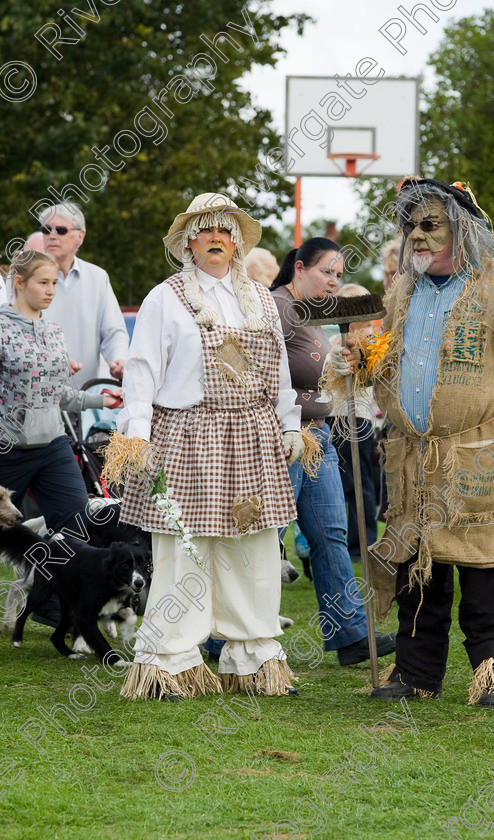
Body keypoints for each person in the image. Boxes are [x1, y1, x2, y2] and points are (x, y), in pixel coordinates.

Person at [334, 178, 494, 706]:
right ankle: (414, 675)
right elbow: (384, 357)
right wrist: (357, 365)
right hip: (410, 456)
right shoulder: (403, 291)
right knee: (417, 568)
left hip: (475, 452)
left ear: (462, 228)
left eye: (429, 224)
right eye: (409, 226)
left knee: (485, 566)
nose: (416, 236)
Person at [111, 193, 303, 700]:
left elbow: (281, 372)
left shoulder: (261, 299)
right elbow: (143, 370)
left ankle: (252, 658)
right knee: (183, 550)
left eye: (225, 230)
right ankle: (171, 663)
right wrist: (136, 433)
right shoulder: (164, 297)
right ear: (187, 241)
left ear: (238, 241)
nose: (216, 238)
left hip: (253, 435)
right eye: (205, 230)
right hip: (189, 436)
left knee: (254, 546)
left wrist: (289, 425)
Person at [270, 238, 396, 666]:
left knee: (331, 533)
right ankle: (230, 636)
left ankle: (350, 633)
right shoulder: (276, 308)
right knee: (266, 537)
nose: (334, 281)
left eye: (339, 274)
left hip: (319, 436)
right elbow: (267, 379)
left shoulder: (313, 313)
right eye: (327, 271)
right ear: (299, 267)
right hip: (282, 439)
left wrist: (342, 369)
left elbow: (314, 374)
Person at [0, 250, 120, 534]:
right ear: (19, 282)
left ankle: (51, 579)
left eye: (54, 283)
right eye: (43, 283)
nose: (51, 291)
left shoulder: (54, 331)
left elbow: (58, 395)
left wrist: (102, 400)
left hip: (53, 445)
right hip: (7, 450)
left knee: (78, 528)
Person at [38, 203, 129, 387]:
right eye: (47, 230)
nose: (52, 236)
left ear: (81, 236)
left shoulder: (98, 277)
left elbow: (113, 332)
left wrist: (119, 359)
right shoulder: (22, 279)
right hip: (36, 400)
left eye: (61, 230)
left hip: (85, 401)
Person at [328, 283, 380, 557]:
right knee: (340, 485)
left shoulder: (370, 341)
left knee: (358, 484)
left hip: (356, 419)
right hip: (332, 417)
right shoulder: (335, 340)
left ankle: (363, 543)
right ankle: (347, 539)